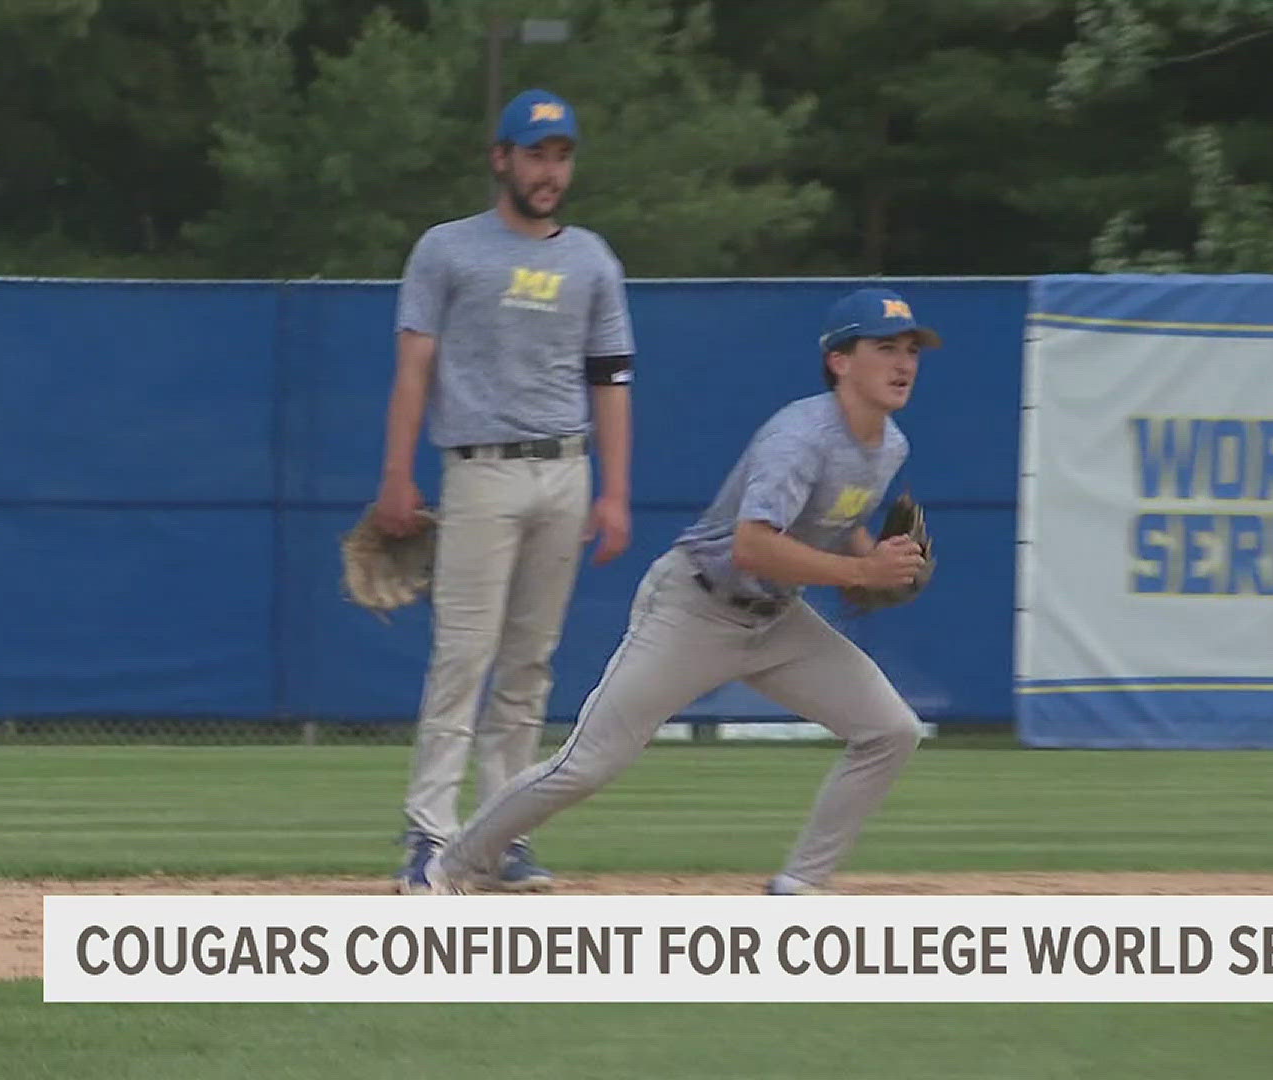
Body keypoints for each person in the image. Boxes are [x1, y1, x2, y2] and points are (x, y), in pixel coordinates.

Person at [414, 287, 937, 896]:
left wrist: (867, 554)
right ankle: (449, 866)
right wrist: (859, 575)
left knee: (890, 730)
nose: (903, 364)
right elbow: (752, 545)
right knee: (588, 764)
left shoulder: (889, 446)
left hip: (776, 619)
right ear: (839, 362)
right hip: (696, 606)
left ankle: (798, 885)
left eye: (910, 350)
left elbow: (834, 521)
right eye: (884, 348)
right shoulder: (799, 437)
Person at [376, 88, 636, 894]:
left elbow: (612, 380)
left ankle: (500, 836)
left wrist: (616, 492)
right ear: (502, 159)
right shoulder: (449, 250)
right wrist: (396, 475)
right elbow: (414, 366)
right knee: (463, 656)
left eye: (560, 155)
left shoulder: (592, 258)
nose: (549, 169)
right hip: (479, 469)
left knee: (530, 665)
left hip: (566, 468)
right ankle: (428, 834)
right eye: (535, 153)